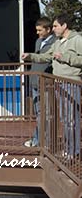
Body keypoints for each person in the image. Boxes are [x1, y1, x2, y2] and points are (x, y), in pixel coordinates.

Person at [22, 13, 82, 156]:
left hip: (71, 84)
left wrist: (65, 57)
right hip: (59, 83)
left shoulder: (77, 40)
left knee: (71, 119)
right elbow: (46, 56)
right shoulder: (58, 42)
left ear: (64, 26)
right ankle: (69, 150)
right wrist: (30, 56)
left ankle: (73, 151)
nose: (53, 29)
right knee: (65, 119)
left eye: (55, 26)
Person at [24, 17, 56, 147]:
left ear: (48, 29)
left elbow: (47, 60)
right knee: (39, 113)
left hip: (46, 82)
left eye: (40, 30)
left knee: (47, 114)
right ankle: (37, 140)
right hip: (35, 82)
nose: (37, 33)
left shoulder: (56, 42)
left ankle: (47, 143)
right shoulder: (38, 41)